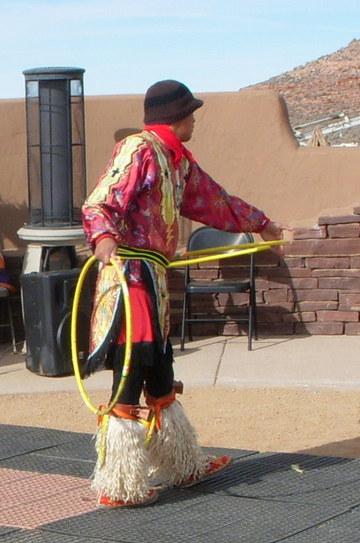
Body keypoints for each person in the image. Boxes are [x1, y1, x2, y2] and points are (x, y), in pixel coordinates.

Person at [81, 80, 283, 507]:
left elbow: (214, 200)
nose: (195, 120)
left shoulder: (178, 162)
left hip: (153, 277)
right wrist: (103, 237)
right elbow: (100, 201)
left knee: (159, 367)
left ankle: (183, 463)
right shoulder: (137, 149)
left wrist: (262, 224)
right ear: (176, 115)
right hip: (130, 276)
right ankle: (118, 484)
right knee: (132, 367)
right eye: (191, 113)